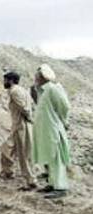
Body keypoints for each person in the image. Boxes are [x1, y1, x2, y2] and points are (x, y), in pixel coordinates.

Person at [32, 64, 71, 199]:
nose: (35, 78)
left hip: (53, 130)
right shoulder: (42, 91)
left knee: (56, 158)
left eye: (37, 75)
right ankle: (52, 183)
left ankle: (60, 187)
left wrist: (62, 120)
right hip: (45, 132)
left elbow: (64, 106)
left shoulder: (53, 89)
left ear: (44, 76)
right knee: (48, 157)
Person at [0, 71, 37, 190]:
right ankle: (8, 171)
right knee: (7, 148)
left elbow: (24, 108)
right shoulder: (21, 90)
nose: (4, 82)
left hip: (21, 126)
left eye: (5, 80)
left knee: (23, 155)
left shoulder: (15, 91)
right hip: (18, 125)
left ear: (10, 80)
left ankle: (31, 181)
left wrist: (29, 118)